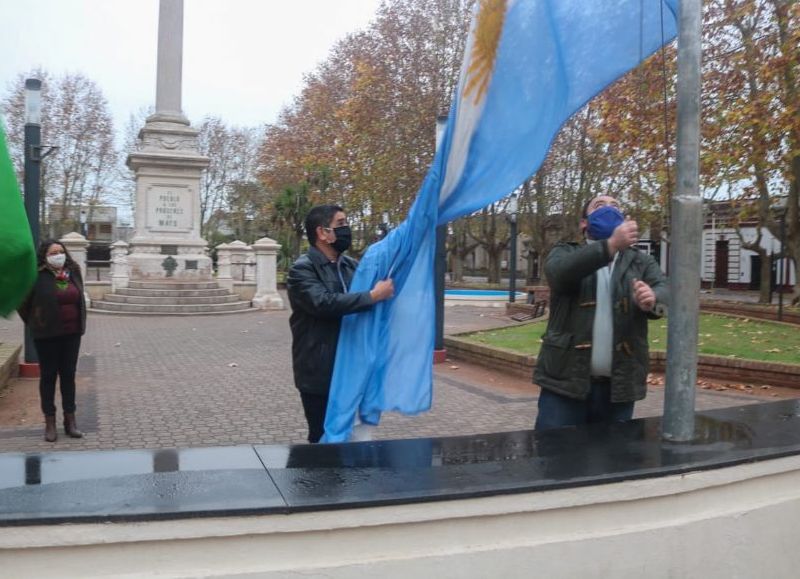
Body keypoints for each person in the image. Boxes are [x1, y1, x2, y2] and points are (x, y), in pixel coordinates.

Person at [533, 195, 668, 431]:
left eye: (615, 206)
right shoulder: (564, 251)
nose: (608, 209)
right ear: (584, 223)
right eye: (599, 206)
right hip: (564, 384)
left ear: (624, 220)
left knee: (613, 461)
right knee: (554, 459)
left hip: (619, 386)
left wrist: (653, 299)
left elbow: (666, 292)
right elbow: (559, 275)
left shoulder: (641, 261)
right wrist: (611, 245)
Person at [287, 205, 395, 443]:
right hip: (321, 369)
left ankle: (351, 479)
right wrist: (372, 296)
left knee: (356, 433)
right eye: (341, 224)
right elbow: (323, 303)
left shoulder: (350, 266)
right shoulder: (302, 269)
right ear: (322, 232)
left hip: (353, 367)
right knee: (323, 436)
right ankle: (318, 480)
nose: (347, 229)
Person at [18, 240, 87, 442]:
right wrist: (35, 321)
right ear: (45, 256)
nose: (58, 255)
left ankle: (70, 420)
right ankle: (49, 422)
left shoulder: (73, 271)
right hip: (46, 335)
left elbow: (79, 298)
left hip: (71, 333)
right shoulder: (37, 275)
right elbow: (23, 303)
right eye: (53, 252)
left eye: (60, 251)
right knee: (48, 377)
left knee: (68, 376)